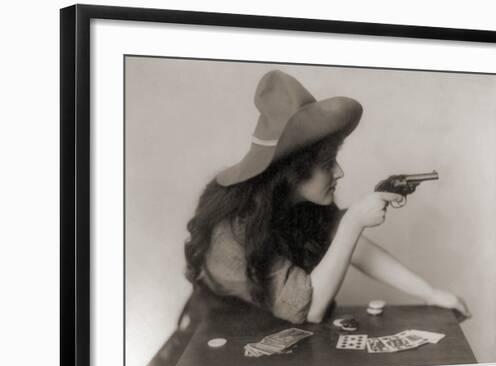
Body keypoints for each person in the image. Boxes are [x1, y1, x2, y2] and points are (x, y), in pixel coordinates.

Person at [183, 69, 471, 326]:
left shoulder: (296, 204)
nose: (340, 172)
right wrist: (354, 221)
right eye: (326, 163)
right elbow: (310, 311)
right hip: (222, 337)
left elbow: (358, 250)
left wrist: (429, 293)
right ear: (292, 172)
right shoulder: (231, 229)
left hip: (281, 336)